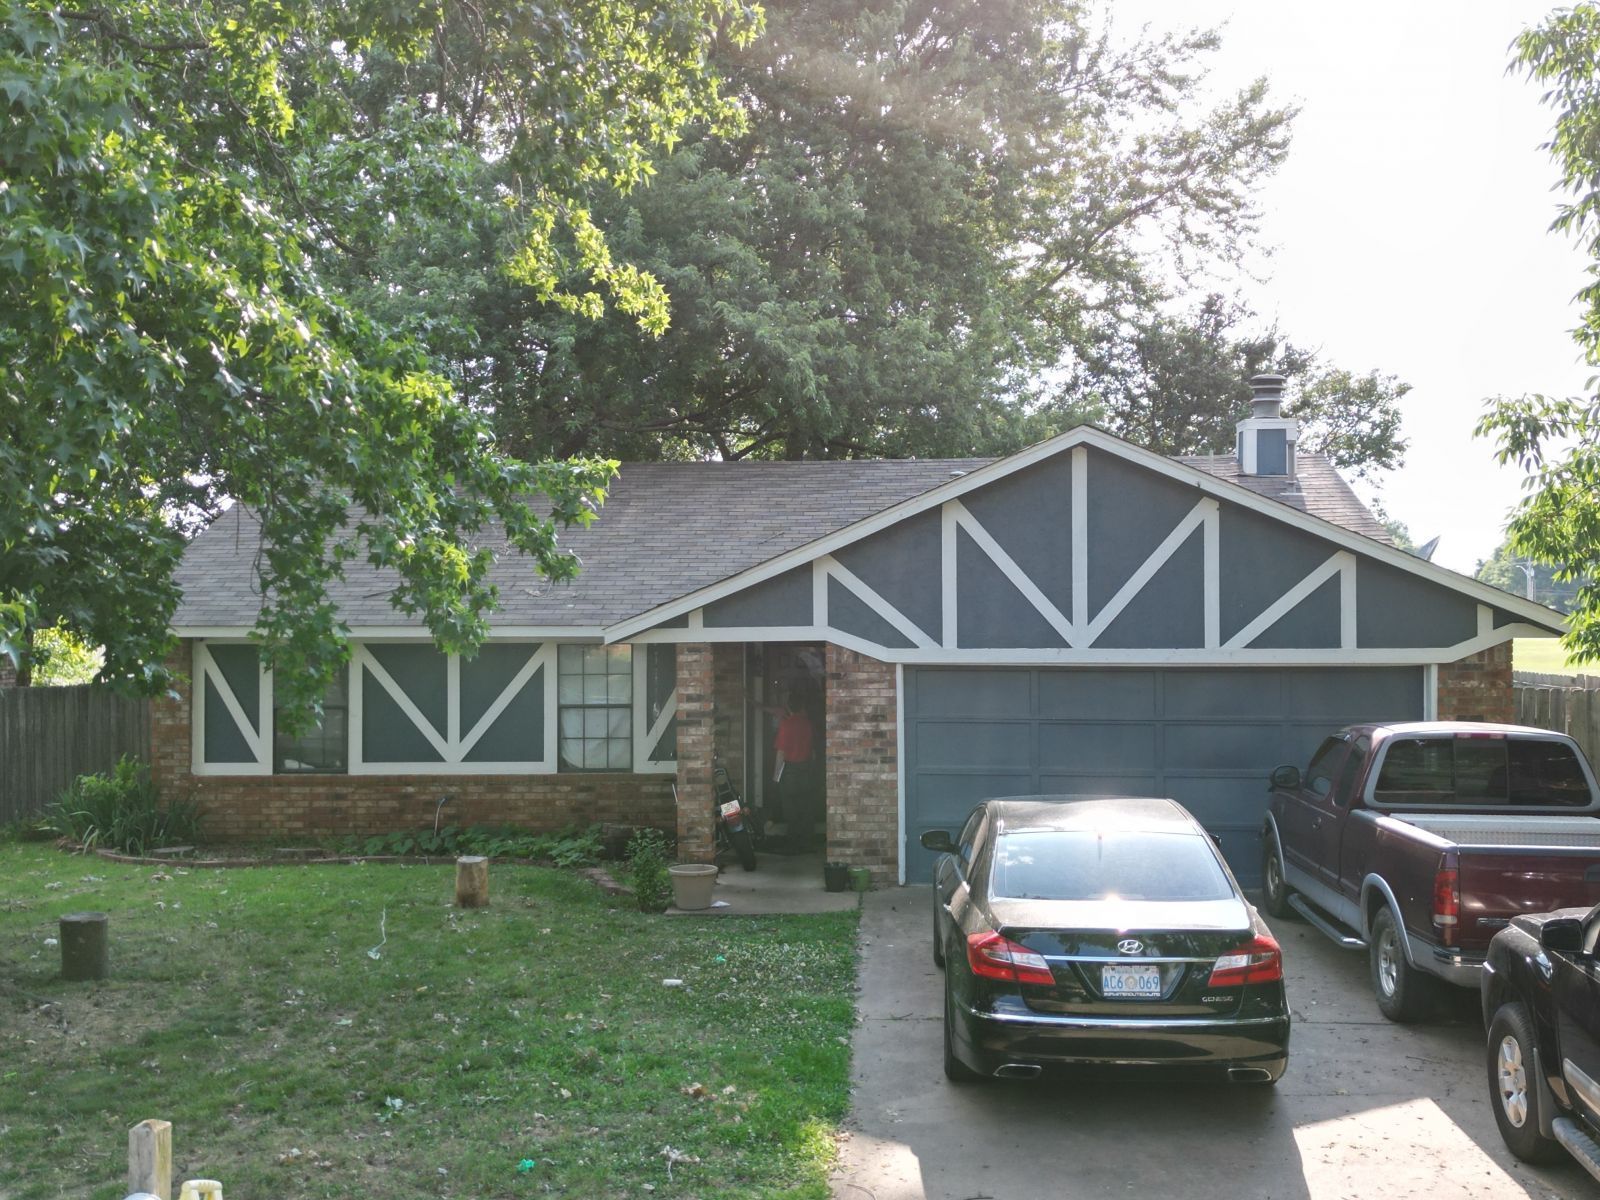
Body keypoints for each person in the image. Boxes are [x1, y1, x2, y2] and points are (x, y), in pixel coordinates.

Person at [772, 694, 818, 849]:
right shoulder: (808, 724)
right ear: (802, 707)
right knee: (805, 805)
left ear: (789, 707)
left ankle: (793, 841)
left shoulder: (786, 725)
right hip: (806, 768)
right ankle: (807, 840)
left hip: (790, 770)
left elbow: (781, 752)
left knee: (790, 807)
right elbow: (812, 751)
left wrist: (776, 775)